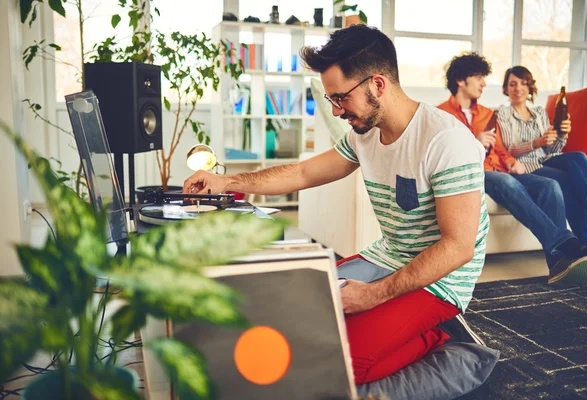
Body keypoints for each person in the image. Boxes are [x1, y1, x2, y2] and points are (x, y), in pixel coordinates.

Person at [184, 25, 488, 384]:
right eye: (331, 100)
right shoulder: (365, 134)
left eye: (340, 98)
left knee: (336, 365)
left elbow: (458, 248)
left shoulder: (446, 141)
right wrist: (228, 182)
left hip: (442, 280)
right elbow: (303, 173)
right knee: (283, 318)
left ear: (377, 85)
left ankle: (445, 341)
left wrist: (373, 296)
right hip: (385, 258)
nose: (338, 111)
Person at [438, 53, 587, 285]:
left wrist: (512, 163)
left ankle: (558, 265)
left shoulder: (485, 113)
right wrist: (475, 142)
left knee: (550, 185)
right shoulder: (442, 114)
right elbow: (444, 154)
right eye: (479, 77)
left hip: (500, 170)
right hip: (473, 171)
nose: (483, 83)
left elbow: (501, 149)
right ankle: (567, 242)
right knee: (507, 183)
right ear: (461, 80)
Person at [498, 66, 587, 256]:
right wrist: (536, 142)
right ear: (506, 89)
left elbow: (552, 149)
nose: (518, 88)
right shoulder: (503, 114)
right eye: (512, 84)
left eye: (523, 83)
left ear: (530, 87)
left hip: (545, 159)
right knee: (566, 181)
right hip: (525, 166)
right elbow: (508, 147)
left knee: (577, 157)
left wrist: (562, 135)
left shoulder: (539, 113)